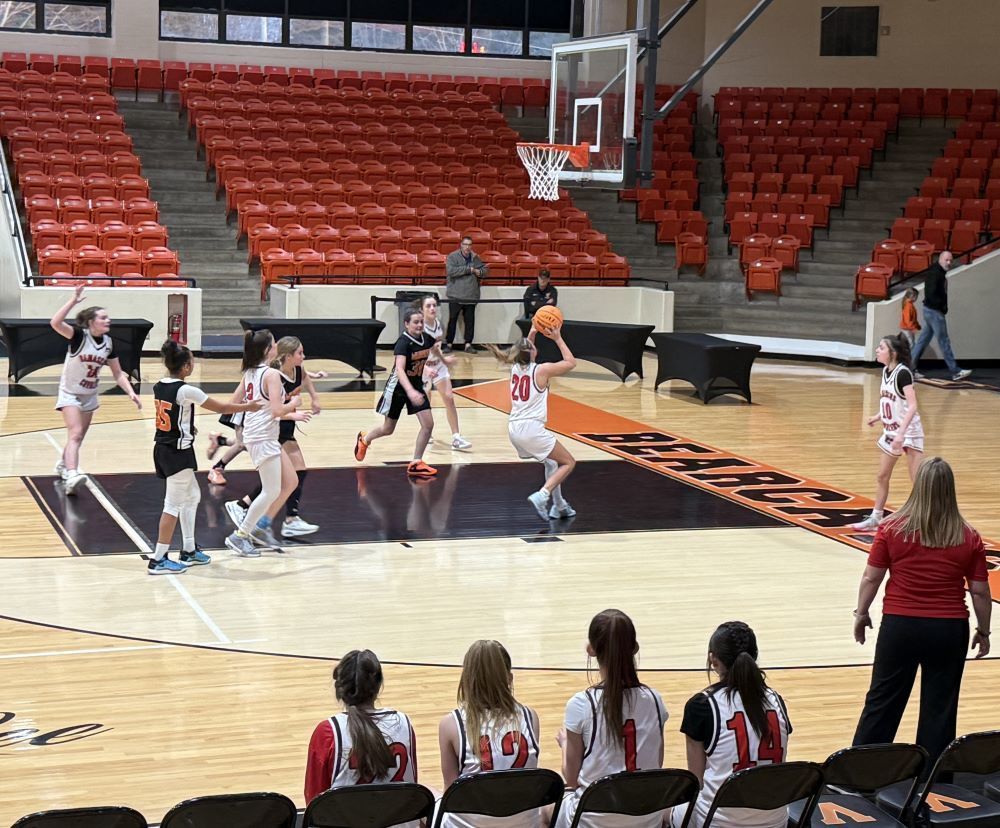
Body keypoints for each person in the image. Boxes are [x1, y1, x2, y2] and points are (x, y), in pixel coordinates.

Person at [853, 456, 991, 763]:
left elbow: (871, 577)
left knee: (882, 701)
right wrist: (983, 631)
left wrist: (861, 614)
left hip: (900, 627)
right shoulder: (968, 536)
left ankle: (860, 772)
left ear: (918, 487)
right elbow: (980, 592)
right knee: (940, 707)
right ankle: (934, 777)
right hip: (948, 629)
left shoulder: (891, 529)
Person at [150, 339, 260, 575]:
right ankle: (158, 558)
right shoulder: (186, 390)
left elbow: (172, 414)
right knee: (172, 505)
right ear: (186, 366)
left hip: (166, 448)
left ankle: (189, 550)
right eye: (192, 362)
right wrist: (248, 407)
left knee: (192, 496)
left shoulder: (160, 385)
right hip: (176, 452)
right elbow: (222, 408)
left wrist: (187, 427)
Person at [672, 621, 792, 828]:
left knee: (664, 811)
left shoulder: (701, 705)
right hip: (775, 821)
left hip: (719, 822)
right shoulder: (776, 700)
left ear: (713, 660)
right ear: (754, 657)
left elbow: (696, 781)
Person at [555, 609, 667, 828]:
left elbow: (571, 779)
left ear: (591, 650)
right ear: (635, 648)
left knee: (545, 810)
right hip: (645, 817)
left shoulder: (581, 704)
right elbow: (657, 763)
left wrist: (565, 744)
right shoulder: (655, 700)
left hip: (594, 820)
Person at [225, 329, 311, 557]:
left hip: (262, 434)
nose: (276, 346)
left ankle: (260, 528)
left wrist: (286, 413)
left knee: (291, 481)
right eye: (273, 344)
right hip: (262, 436)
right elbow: (276, 411)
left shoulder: (251, 372)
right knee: (271, 489)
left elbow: (244, 404)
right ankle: (240, 535)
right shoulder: (270, 374)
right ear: (267, 349)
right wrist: (294, 403)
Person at [49, 285, 142, 494]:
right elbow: (55, 323)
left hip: (90, 394)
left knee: (78, 437)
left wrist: (131, 392)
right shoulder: (78, 336)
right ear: (91, 322)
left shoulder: (108, 343)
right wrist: (73, 300)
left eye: (108, 317)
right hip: (70, 392)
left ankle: (63, 465)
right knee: (75, 433)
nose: (108, 320)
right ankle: (72, 475)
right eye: (103, 317)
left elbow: (118, 373)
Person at [304, 649, 417, 803]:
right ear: (378, 685)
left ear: (340, 688)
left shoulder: (328, 731)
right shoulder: (402, 722)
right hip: (398, 816)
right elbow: (413, 789)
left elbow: (314, 800)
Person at [492, 327, 577, 521]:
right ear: (532, 352)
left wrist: (533, 330)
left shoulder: (515, 368)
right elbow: (571, 363)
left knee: (551, 462)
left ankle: (559, 505)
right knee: (568, 462)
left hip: (514, 428)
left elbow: (525, 348)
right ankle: (543, 495)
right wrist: (558, 338)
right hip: (530, 429)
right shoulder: (541, 370)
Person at [438, 640, 540, 791]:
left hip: (475, 806)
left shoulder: (450, 724)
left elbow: (450, 790)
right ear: (510, 678)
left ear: (466, 679)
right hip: (523, 805)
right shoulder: (530, 717)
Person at [354, 307, 439, 479]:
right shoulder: (403, 342)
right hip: (398, 389)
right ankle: (365, 439)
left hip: (416, 386)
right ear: (406, 324)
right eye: (415, 322)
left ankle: (416, 462)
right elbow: (400, 369)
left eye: (421, 322)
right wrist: (410, 391)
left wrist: (430, 368)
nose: (419, 325)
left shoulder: (427, 339)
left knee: (428, 425)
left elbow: (429, 354)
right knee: (388, 429)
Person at [851, 335, 924, 533]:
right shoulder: (885, 371)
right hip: (892, 431)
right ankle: (876, 517)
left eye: (881, 347)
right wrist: (878, 416)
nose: (877, 350)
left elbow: (912, 406)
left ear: (893, 353)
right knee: (882, 476)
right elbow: (892, 402)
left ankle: (924, 520)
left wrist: (902, 434)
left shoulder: (903, 373)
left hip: (910, 432)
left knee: (917, 481)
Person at [419, 295, 472, 451]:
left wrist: (444, 360)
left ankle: (456, 437)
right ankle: (427, 432)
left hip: (439, 366)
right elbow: (412, 355)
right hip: (423, 368)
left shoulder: (438, 324)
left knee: (449, 398)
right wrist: (425, 368)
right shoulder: (419, 328)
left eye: (434, 305)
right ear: (421, 310)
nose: (432, 308)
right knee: (426, 402)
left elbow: (436, 349)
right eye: (428, 306)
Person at [910, 251, 971, 382]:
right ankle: (955, 372)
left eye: (951, 260)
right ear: (940, 259)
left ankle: (909, 368)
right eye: (946, 260)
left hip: (930, 310)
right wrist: (941, 307)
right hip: (934, 312)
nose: (949, 263)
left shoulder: (937, 272)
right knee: (944, 341)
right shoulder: (936, 273)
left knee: (922, 341)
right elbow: (931, 292)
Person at [445, 235, 488, 352]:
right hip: (455, 295)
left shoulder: (475, 257)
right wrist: (469, 270)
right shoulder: (452, 256)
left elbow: (485, 270)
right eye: (465, 244)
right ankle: (449, 344)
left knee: (470, 322)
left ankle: (468, 344)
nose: (467, 247)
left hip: (471, 295)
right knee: (452, 320)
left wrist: (480, 272)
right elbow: (451, 271)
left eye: (469, 245)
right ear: (461, 245)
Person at [899, 287, 920, 353]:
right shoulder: (908, 306)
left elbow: (913, 318)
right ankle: (907, 357)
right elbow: (907, 320)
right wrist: (913, 328)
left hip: (908, 328)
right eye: (916, 296)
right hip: (907, 329)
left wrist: (917, 325)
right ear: (913, 296)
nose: (917, 298)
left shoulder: (909, 305)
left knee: (910, 344)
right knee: (911, 344)